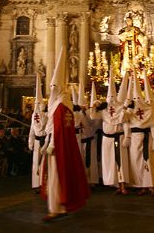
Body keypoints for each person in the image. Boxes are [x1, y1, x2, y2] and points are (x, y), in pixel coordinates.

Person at [41, 48, 90, 221]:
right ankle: (60, 206)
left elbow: (58, 128)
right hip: (57, 145)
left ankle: (55, 208)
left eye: (55, 86)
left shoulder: (61, 105)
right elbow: (51, 126)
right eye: (51, 86)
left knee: (55, 177)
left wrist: (51, 144)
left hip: (57, 146)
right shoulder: (60, 104)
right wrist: (48, 142)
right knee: (57, 176)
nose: (52, 88)